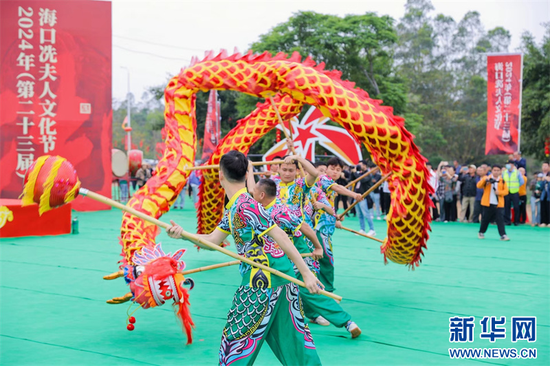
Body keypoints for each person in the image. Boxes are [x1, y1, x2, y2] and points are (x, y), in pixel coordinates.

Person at [166, 151, 323, 365]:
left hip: (261, 282)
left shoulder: (245, 206)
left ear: (221, 175)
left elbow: (279, 235)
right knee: (295, 341)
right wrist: (183, 234)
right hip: (279, 278)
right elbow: (213, 240)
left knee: (235, 342)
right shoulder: (236, 207)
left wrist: (306, 274)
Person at [251, 178, 361, 338]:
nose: (250, 193)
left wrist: (318, 247)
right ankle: (311, 315)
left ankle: (347, 322)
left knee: (308, 290)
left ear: (261, 195)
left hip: (296, 254)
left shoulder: (280, 211)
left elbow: (305, 227)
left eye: (253, 191)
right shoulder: (259, 209)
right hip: (274, 256)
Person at [477, 164, 509, 241]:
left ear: (500, 171)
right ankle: (481, 232)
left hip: (499, 203)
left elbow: (506, 191)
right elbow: (479, 185)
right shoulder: (486, 178)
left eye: (498, 170)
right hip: (487, 202)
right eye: (494, 170)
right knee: (485, 219)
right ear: (492, 171)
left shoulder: (502, 181)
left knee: (500, 219)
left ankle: (503, 235)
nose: (496, 172)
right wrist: (485, 180)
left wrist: (499, 192)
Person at [351, 160, 376, 235]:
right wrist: (353, 172)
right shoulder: (360, 173)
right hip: (357, 196)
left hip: (364, 196)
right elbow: (351, 179)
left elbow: (362, 180)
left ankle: (372, 229)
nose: (359, 166)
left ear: (365, 166)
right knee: (359, 214)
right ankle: (362, 229)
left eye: (360, 165)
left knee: (366, 214)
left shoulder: (368, 174)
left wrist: (355, 173)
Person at [502, 160, 524, 226]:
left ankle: (516, 221)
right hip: (506, 192)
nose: (509, 165)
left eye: (510, 164)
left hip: (514, 192)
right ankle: (507, 221)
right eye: (508, 164)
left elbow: (521, 181)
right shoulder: (504, 172)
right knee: (506, 207)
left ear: (513, 165)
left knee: (516, 207)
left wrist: (516, 186)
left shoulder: (517, 172)